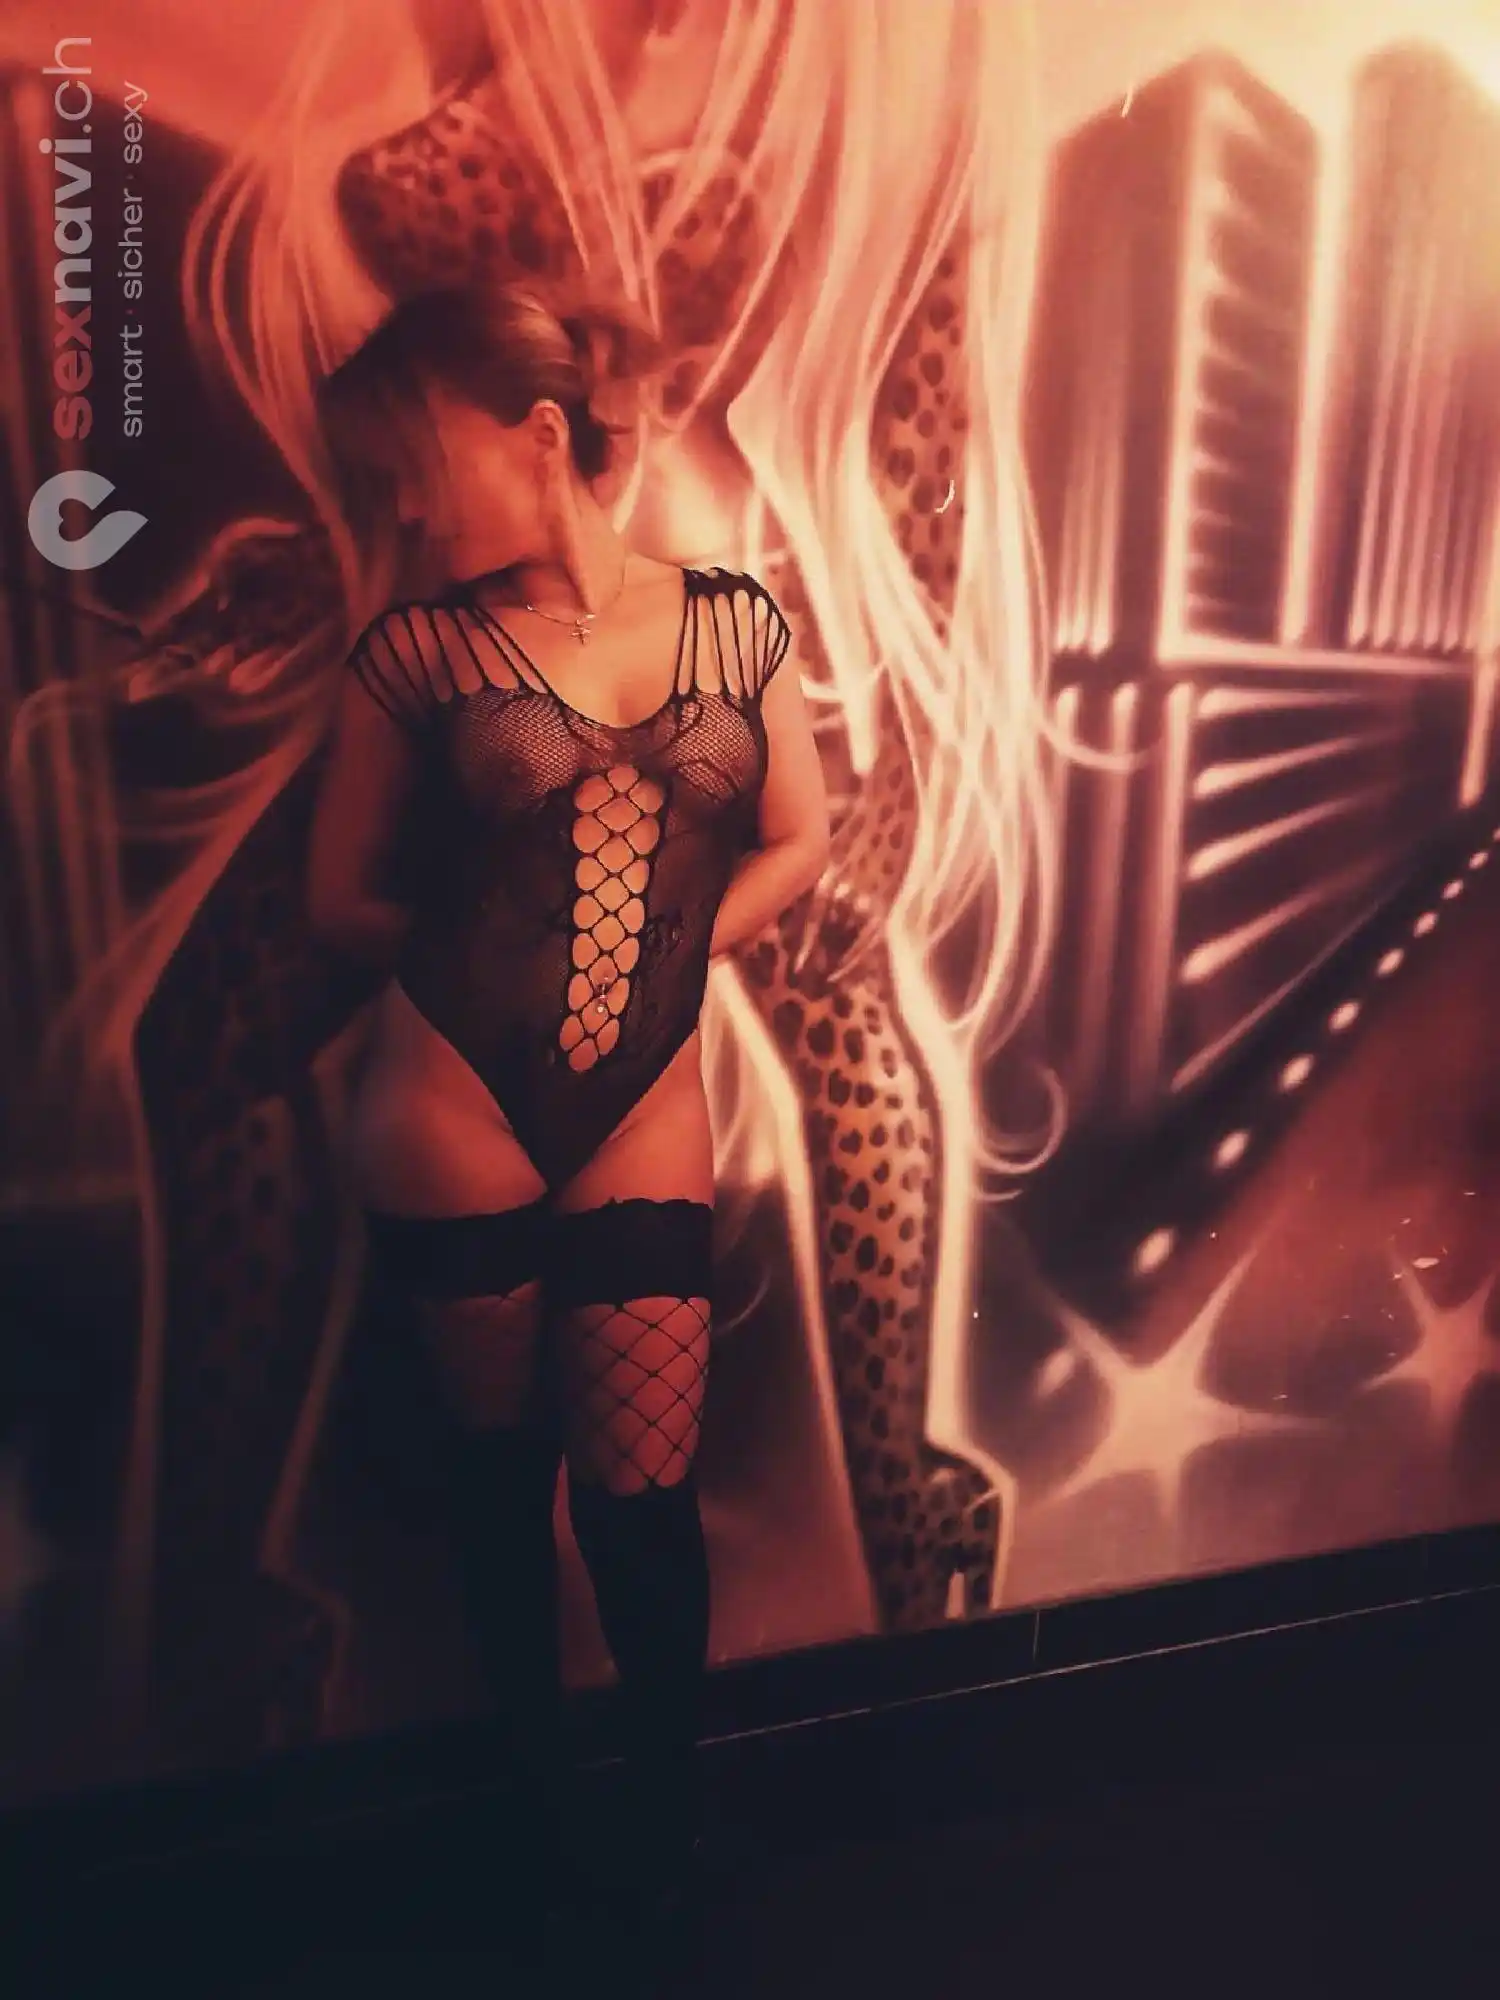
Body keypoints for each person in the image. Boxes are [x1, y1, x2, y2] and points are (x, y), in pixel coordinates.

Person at [303, 275, 831, 1938]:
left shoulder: (734, 623)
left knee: (642, 1502)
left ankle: (659, 1843)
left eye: (415, 469)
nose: (401, 512)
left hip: (644, 1099)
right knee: (494, 1480)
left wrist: (673, 950)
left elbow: (799, 838)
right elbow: (336, 900)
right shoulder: (413, 656)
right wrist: (492, 949)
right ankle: (538, 1832)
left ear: (539, 435)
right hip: (452, 1094)